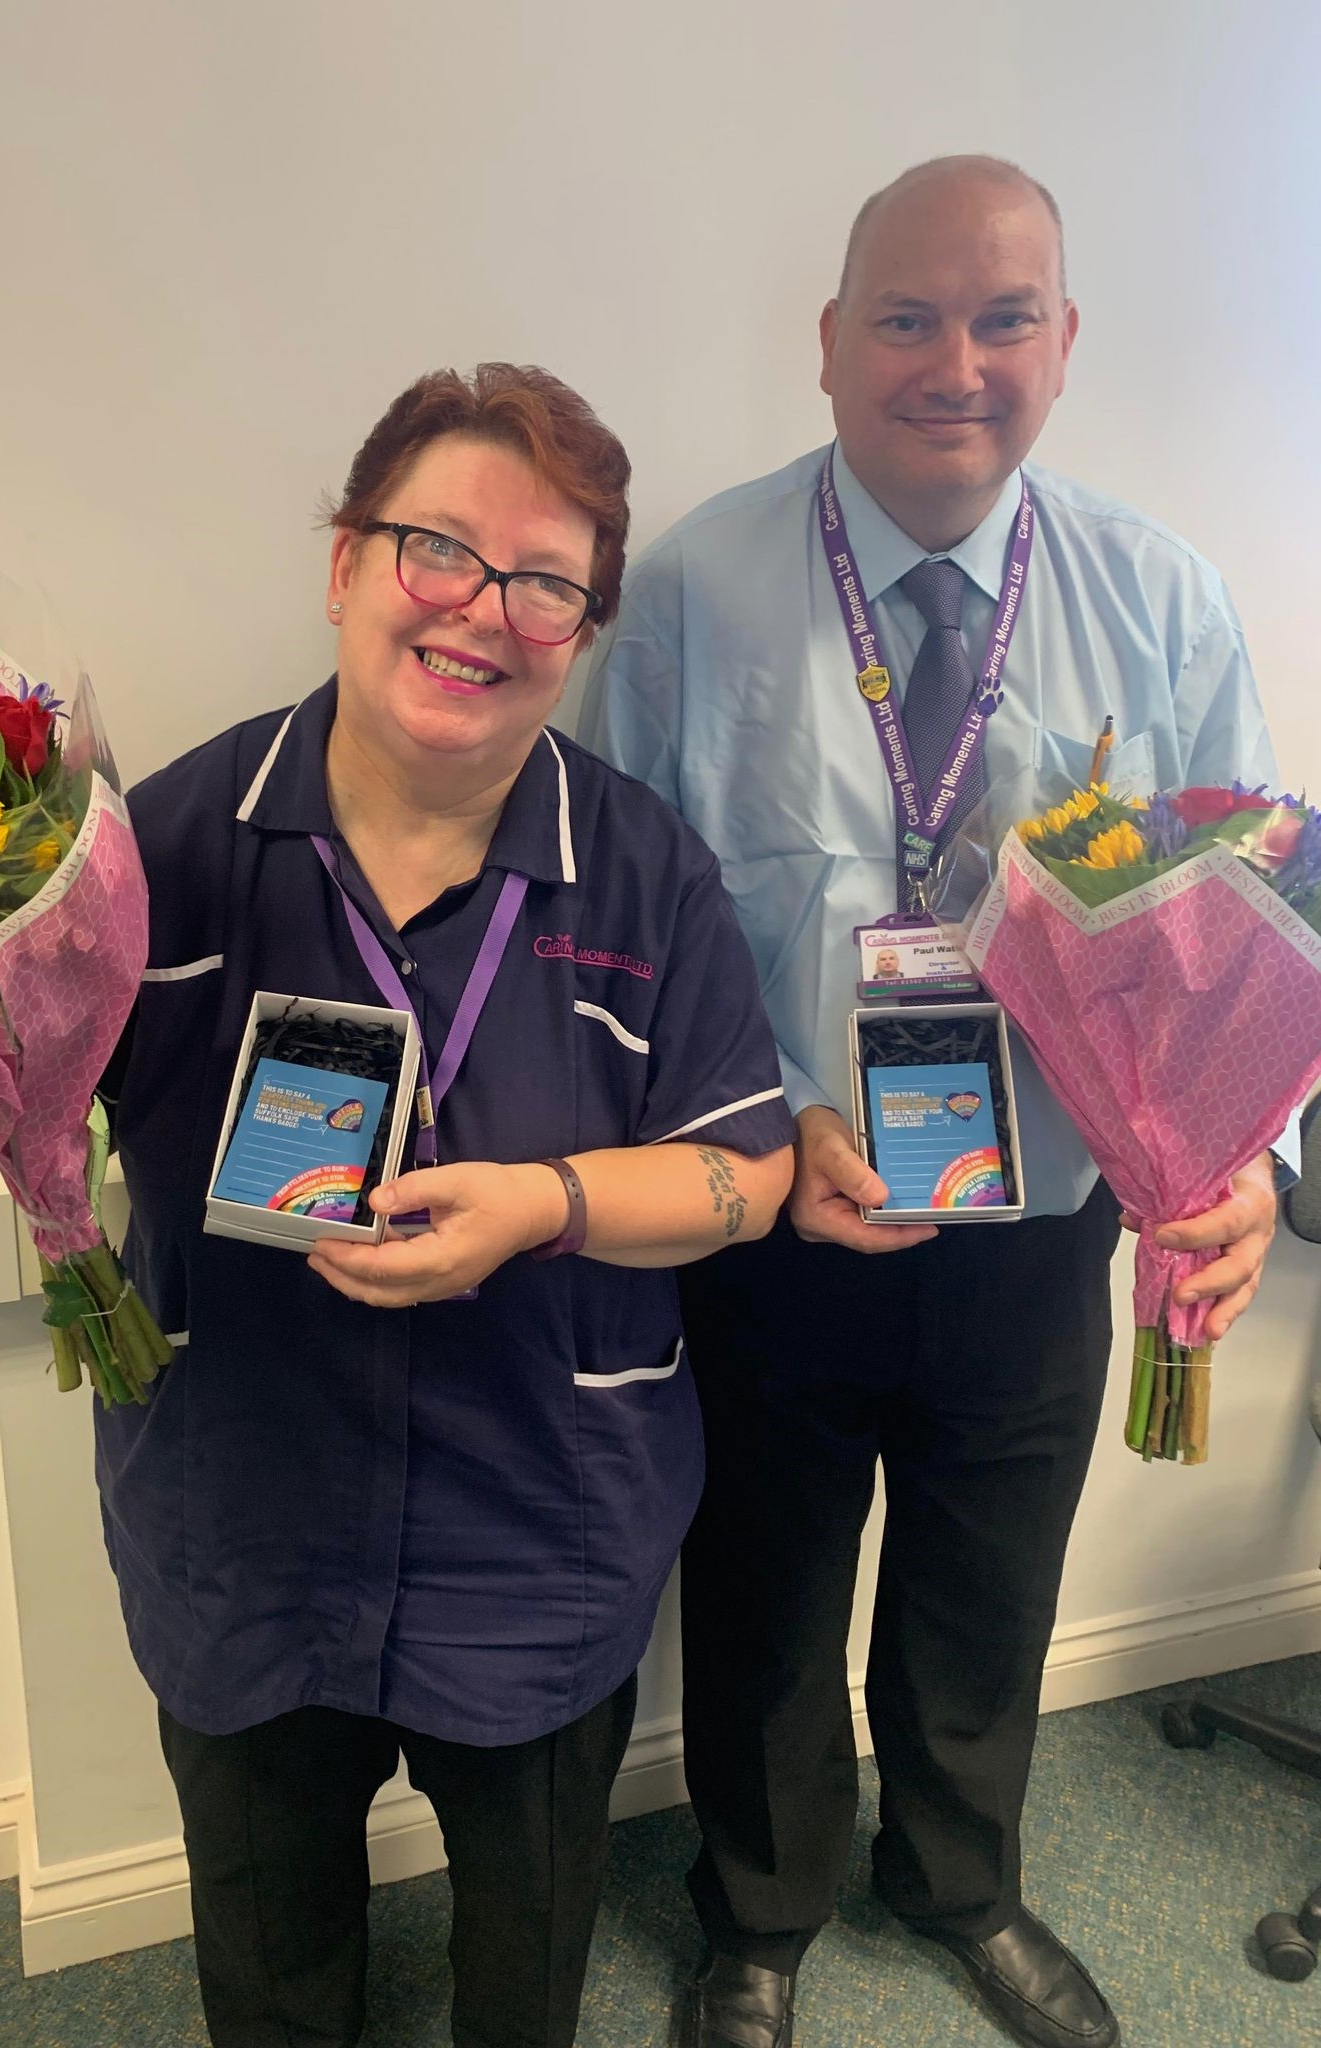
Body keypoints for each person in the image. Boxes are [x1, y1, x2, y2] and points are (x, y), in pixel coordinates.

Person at [0, 362, 794, 2048]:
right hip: (243, 1517)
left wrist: (544, 1205)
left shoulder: (647, 874)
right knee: (270, 1968)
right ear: (345, 565)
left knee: (523, 1974)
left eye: (545, 583)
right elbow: (31, 1079)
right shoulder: (150, 853)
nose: (483, 610)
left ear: (583, 630)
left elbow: (746, 1173)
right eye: (439, 549)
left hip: (539, 1529)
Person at [580, 158, 1291, 2048]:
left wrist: (1247, 1161)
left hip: (1043, 1215)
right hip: (780, 1215)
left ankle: (961, 1879)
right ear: (829, 342)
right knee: (764, 1583)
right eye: (905, 317)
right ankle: (758, 1909)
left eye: (1002, 319)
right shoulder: (688, 598)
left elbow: (1248, 933)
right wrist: (756, 1131)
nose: (954, 364)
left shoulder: (1162, 601)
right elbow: (615, 935)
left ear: (1065, 344)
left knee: (990, 1578)